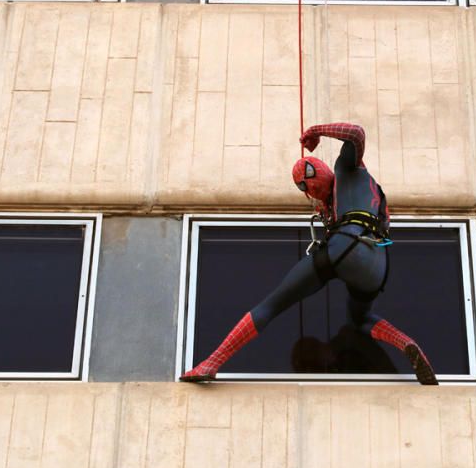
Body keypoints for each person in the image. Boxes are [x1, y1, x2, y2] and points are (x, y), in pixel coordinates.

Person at [180, 122, 437, 385]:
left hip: (344, 246)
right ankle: (406, 342)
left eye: (310, 178)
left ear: (324, 169)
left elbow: (356, 134)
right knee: (360, 318)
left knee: (272, 304)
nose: (310, 189)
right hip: (377, 265)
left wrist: (316, 131)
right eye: (304, 187)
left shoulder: (347, 169)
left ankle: (212, 363)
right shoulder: (349, 194)